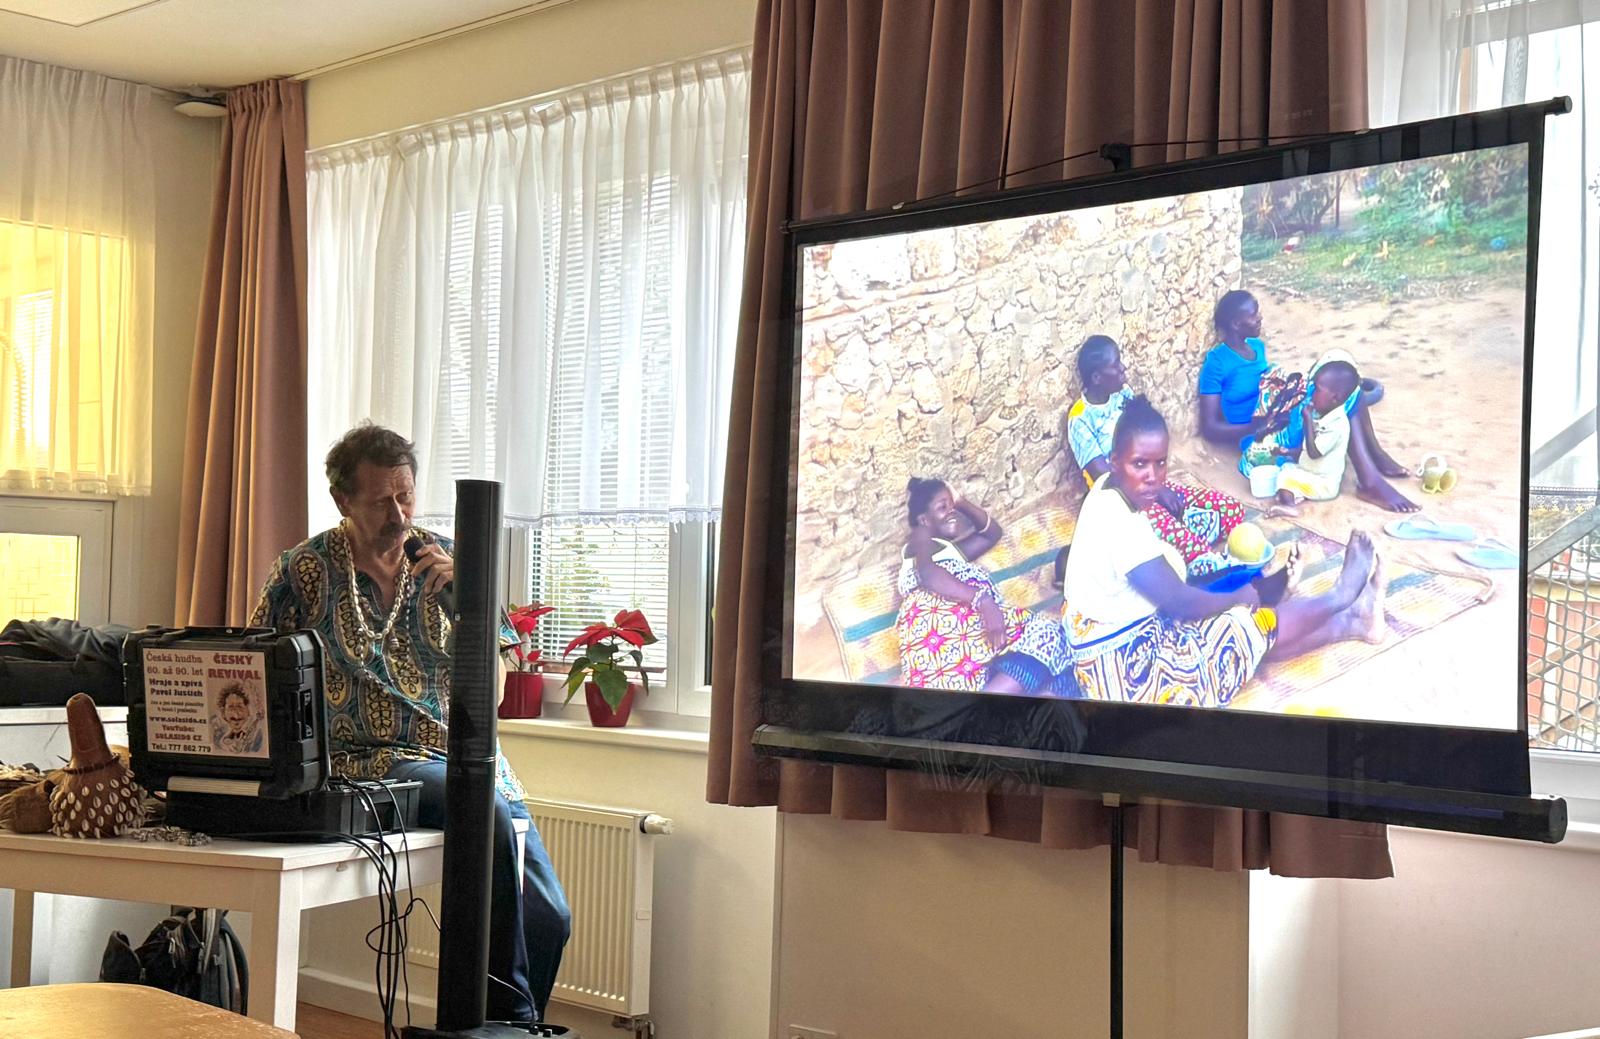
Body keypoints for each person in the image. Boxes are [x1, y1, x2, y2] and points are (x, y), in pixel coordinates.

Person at [250, 423, 570, 1027]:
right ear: (343, 500)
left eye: (406, 496)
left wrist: (470, 609)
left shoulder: (450, 561)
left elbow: (496, 694)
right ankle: (507, 1023)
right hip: (369, 761)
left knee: (550, 915)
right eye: (380, 502)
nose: (399, 515)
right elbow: (258, 671)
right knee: (483, 813)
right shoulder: (303, 570)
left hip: (466, 757)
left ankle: (507, 1024)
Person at [1064, 396, 1387, 707]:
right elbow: (1180, 603)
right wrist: (1238, 598)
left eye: (1160, 463)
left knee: (1233, 625)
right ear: (1115, 461)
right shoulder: (1122, 526)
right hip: (1127, 675)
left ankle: (1353, 623)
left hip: (1100, 642)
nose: (1152, 477)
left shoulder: (1106, 487)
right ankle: (1339, 598)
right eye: (1139, 464)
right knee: (1240, 622)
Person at [1198, 289, 1419, 513]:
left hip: (1280, 416)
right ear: (1236, 324)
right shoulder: (1217, 362)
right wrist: (1255, 426)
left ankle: (1376, 456)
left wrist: (1287, 392)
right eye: (1253, 315)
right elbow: (1210, 428)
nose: (1260, 318)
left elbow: (1266, 389)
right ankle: (1370, 480)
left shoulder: (1257, 346)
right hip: (1261, 437)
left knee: (1342, 370)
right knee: (1344, 394)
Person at [1067, 334, 1244, 573]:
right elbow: (1105, 476)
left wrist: (1160, 488)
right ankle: (1186, 546)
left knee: (1232, 510)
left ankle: (1180, 540)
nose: (1123, 368)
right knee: (1193, 547)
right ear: (1097, 378)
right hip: (1123, 500)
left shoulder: (1122, 394)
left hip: (1151, 485)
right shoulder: (1080, 418)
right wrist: (1158, 492)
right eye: (1116, 365)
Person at [896, 477, 1072, 695]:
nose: (951, 512)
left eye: (952, 506)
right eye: (942, 507)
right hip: (939, 629)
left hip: (962, 630)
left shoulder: (950, 551)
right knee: (1049, 637)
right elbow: (928, 574)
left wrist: (960, 501)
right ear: (924, 519)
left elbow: (991, 534)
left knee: (1058, 656)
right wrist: (983, 600)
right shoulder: (920, 537)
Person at [1240, 359, 1362, 506]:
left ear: (1335, 398)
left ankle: (1290, 507)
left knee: (1286, 478)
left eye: (1317, 390)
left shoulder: (1336, 424)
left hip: (1323, 483)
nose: (1312, 394)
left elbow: (1314, 452)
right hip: (1311, 473)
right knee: (1286, 468)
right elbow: (1306, 450)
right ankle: (1294, 496)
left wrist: (1308, 421)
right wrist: (1286, 452)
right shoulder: (1323, 415)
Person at [212, 683, 263, 755]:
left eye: (240, 707)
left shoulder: (257, 736)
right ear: (223, 713)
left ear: (248, 710)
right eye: (231, 707)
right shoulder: (219, 739)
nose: (236, 714)